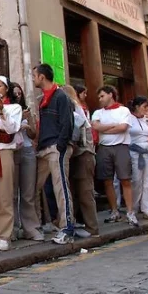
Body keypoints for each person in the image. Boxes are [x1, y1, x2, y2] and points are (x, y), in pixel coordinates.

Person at [31, 64, 75, 244]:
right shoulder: (42, 99)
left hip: (56, 147)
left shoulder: (61, 96)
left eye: (34, 75)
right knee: (34, 187)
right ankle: (40, 224)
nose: (33, 78)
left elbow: (67, 123)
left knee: (61, 188)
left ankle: (67, 228)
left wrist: (60, 145)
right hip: (43, 148)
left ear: (42, 77)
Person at [91, 85, 139, 226]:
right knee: (107, 180)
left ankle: (130, 212)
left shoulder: (123, 110)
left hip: (121, 147)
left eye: (102, 96)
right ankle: (114, 211)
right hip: (104, 148)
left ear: (111, 95)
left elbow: (123, 127)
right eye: (99, 97)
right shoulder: (98, 112)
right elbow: (95, 127)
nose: (100, 99)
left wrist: (105, 129)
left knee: (125, 179)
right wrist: (113, 126)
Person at [0, 75, 22, 251]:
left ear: (6, 89)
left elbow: (12, 128)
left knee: (4, 193)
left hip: (3, 150)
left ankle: (4, 234)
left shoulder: (14, 107)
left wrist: (1, 110)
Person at [62, 85, 99, 238]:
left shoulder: (75, 110)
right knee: (77, 191)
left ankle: (92, 227)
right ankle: (82, 223)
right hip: (80, 154)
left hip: (83, 154)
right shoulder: (77, 108)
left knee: (85, 191)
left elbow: (74, 134)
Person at [10, 82, 42, 242]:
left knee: (28, 193)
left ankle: (31, 228)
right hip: (12, 150)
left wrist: (28, 123)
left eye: (19, 93)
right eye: (14, 93)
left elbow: (33, 134)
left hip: (28, 150)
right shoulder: (6, 109)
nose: (17, 95)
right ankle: (14, 228)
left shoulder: (27, 110)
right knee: (12, 193)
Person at [127, 96, 148, 222]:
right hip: (135, 152)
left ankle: (147, 208)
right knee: (136, 181)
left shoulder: (147, 120)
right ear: (137, 106)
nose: (146, 109)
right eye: (144, 106)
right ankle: (133, 207)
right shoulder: (129, 118)